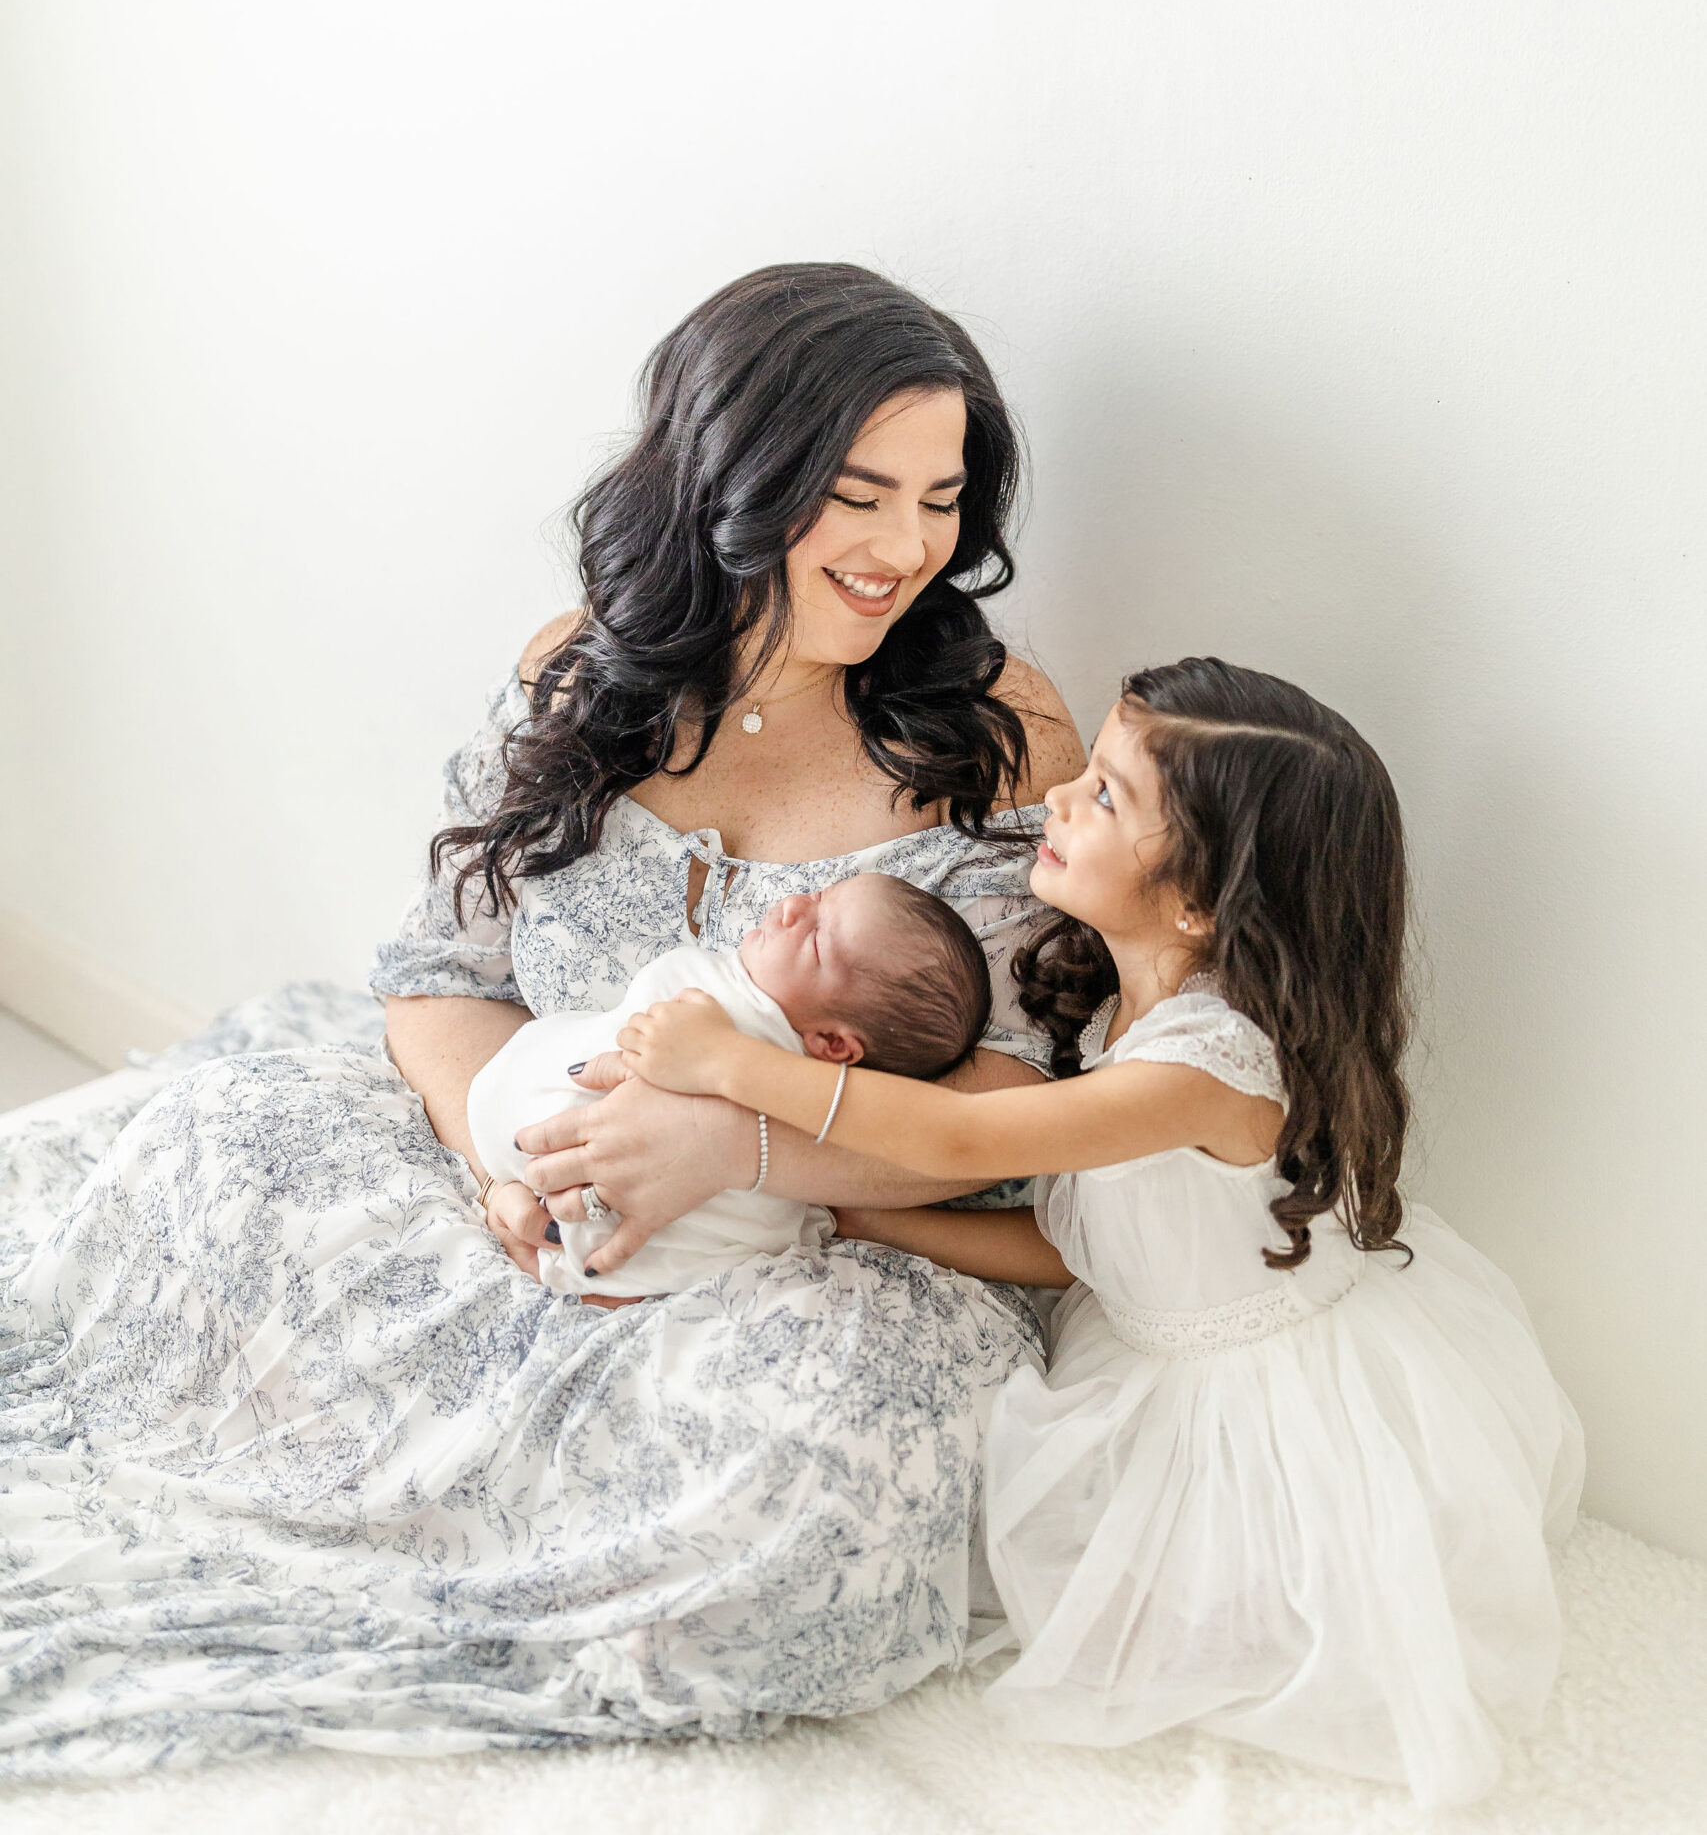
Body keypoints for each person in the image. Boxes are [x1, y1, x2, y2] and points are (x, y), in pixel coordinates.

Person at [0, 262, 1085, 1777]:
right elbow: (445, 978)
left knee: (837, 1468)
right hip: (516, 1168)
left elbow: (1006, 1101)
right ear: (733, 473)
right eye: (858, 494)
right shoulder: (582, 671)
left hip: (816, 1253)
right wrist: (506, 1176)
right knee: (221, 1139)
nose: (907, 547)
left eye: (940, 498)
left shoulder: (996, 728)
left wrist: (733, 1152)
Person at [612, 656, 1586, 1809]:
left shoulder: (1205, 1064)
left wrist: (739, 1069)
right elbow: (1089, 1250)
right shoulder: (1127, 1002)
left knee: (1191, 1617)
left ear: (1199, 903)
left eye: (1109, 796)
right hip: (1151, 1332)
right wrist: (868, 1216)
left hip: (1261, 1390)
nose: (1065, 795)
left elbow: (972, 1140)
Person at [466, 870, 991, 1298]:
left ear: (833, 1044)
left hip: (542, 1173)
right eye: (817, 896)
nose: (790, 908)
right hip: (517, 1164)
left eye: (814, 940)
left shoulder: (767, 1054)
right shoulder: (727, 990)